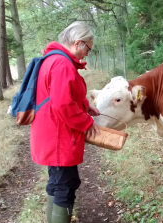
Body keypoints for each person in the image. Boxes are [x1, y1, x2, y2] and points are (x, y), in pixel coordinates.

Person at [30, 21, 100, 223]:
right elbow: (62, 104)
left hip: (50, 132)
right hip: (57, 136)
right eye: (88, 48)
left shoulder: (53, 59)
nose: (87, 53)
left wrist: (85, 105)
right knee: (66, 184)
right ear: (78, 43)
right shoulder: (62, 64)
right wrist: (86, 123)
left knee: (57, 181)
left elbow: (63, 94)